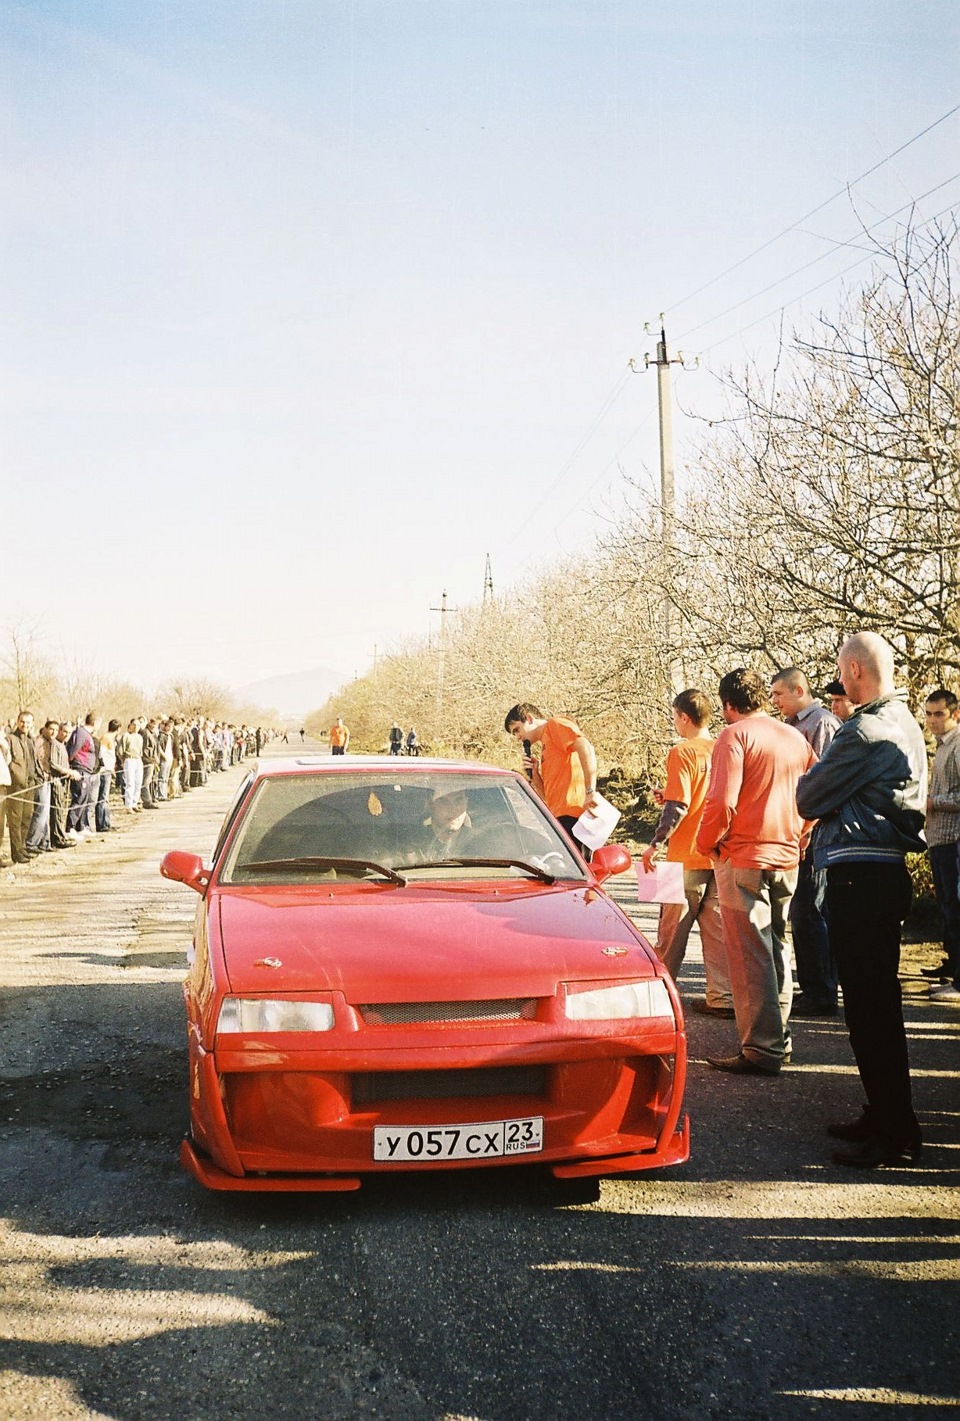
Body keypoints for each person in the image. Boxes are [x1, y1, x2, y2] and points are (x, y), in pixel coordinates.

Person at [796, 632, 927, 1168]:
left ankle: (896, 1132)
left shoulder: (865, 730)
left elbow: (808, 795)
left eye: (840, 671)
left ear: (853, 671)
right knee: (876, 1006)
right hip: (881, 876)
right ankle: (885, 1114)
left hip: (860, 877)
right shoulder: (907, 723)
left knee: (870, 1010)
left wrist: (834, 792)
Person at [695, 669, 815, 1076]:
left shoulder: (735, 735)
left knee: (749, 955)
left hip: (744, 854)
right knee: (777, 945)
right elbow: (815, 794)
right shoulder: (794, 736)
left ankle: (762, 1049)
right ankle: (778, 1041)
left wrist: (706, 843)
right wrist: (800, 835)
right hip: (785, 854)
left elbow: (722, 801)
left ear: (728, 705)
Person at [641, 688, 732, 1016]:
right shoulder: (724, 747)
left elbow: (679, 807)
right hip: (718, 853)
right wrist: (671, 795)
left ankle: (660, 996)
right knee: (717, 931)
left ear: (684, 717)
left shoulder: (682, 752)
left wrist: (656, 843)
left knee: (670, 931)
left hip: (682, 854)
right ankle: (722, 997)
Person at [770, 667, 841, 1016]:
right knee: (803, 913)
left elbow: (824, 782)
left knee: (811, 911)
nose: (773, 701)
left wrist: (809, 828)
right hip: (798, 828)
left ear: (799, 690)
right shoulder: (794, 727)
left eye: (778, 694)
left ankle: (823, 992)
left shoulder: (821, 724)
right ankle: (814, 986)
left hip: (814, 832)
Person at [503, 702, 599, 842]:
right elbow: (547, 798)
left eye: (517, 729)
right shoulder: (546, 746)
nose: (517, 736)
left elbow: (586, 747)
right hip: (559, 819)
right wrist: (535, 774)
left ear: (529, 718)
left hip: (574, 815)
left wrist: (590, 791)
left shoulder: (555, 725)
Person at [919, 690, 960, 1002]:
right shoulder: (943, 746)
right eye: (929, 714)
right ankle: (953, 973)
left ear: (954, 714)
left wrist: (934, 802)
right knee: (948, 910)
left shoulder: (958, 746)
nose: (932, 721)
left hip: (954, 841)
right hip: (939, 839)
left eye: (939, 714)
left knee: (956, 911)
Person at [7, 710, 40, 863]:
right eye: (22, 722)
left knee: (27, 818)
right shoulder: (10, 740)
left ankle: (22, 848)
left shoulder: (31, 740)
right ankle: (16, 853)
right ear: (17, 722)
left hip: (30, 785)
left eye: (28, 722)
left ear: (32, 724)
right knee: (15, 820)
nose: (25, 725)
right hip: (16, 787)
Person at [420, 786, 473, 859]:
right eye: (443, 801)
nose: (452, 809)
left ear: (466, 803)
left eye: (458, 800)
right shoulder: (407, 850)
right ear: (430, 804)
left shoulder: (482, 845)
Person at [119, 719, 144, 812]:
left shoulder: (140, 737)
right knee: (130, 783)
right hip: (129, 759)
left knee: (138, 783)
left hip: (138, 759)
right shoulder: (126, 736)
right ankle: (128, 805)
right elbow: (121, 749)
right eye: (134, 724)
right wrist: (122, 760)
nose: (136, 726)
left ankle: (134, 803)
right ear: (130, 725)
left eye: (138, 725)